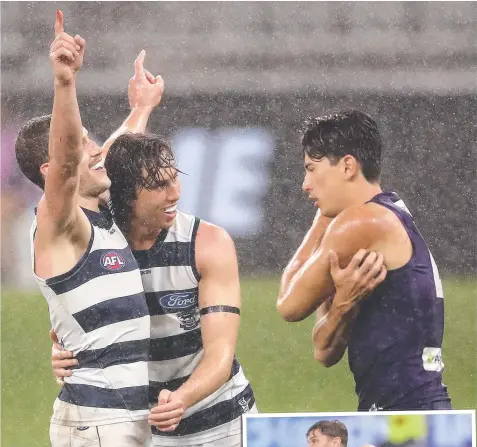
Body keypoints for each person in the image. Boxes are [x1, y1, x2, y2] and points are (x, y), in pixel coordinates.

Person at [14, 11, 160, 446]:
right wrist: (64, 82)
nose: (98, 151)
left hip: (125, 419)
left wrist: (140, 109)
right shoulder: (60, 225)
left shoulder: (99, 211)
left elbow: (107, 152)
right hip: (99, 424)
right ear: (52, 170)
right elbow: (65, 163)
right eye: (84, 144)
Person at [277, 110, 452, 411]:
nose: (306, 184)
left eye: (312, 169)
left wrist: (324, 217)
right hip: (408, 410)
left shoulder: (361, 222)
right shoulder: (391, 208)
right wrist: (344, 303)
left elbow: (289, 305)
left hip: (407, 414)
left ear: (347, 166)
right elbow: (324, 352)